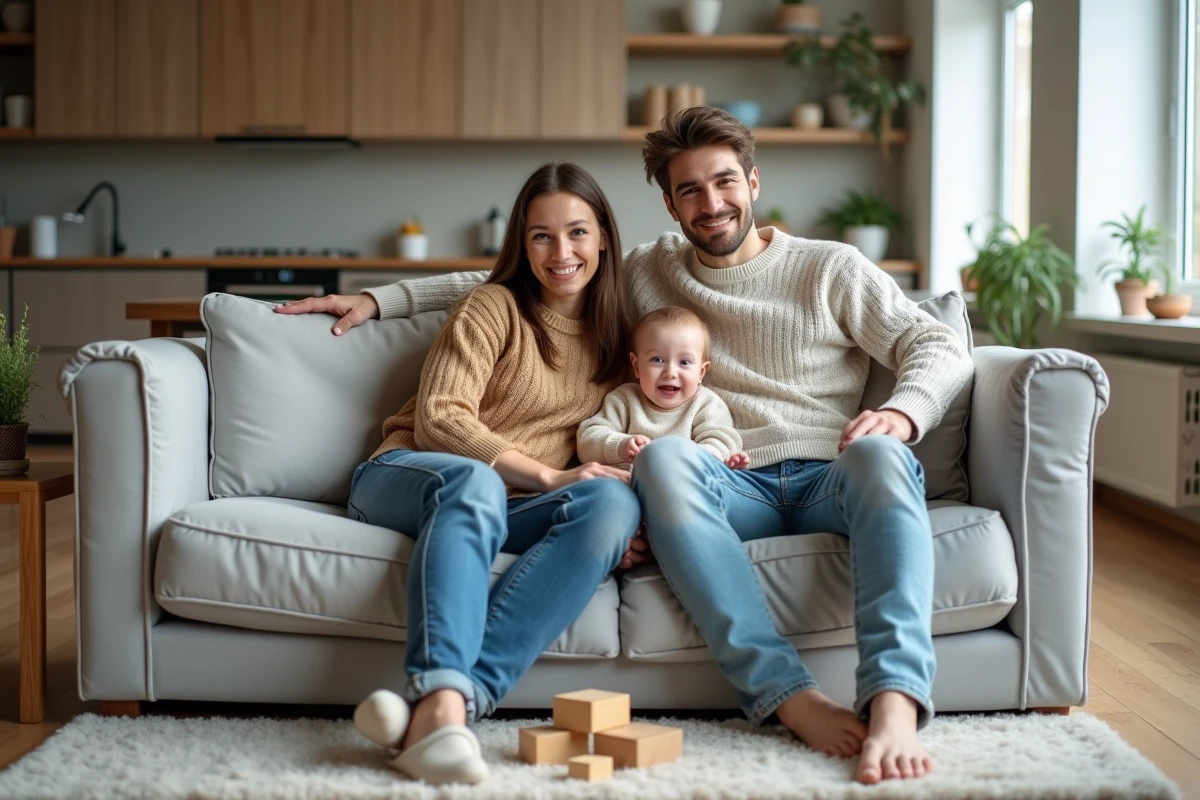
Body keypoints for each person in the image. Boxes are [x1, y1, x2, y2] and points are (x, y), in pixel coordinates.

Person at [278, 107, 973, 786]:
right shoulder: (647, 274)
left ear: (753, 183)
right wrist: (381, 300)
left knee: (870, 459)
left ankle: (894, 703)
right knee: (660, 459)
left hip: (829, 473)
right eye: (690, 190)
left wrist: (902, 414)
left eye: (725, 182)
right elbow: (511, 284)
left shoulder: (827, 269)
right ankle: (784, 695)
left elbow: (935, 343)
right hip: (699, 483)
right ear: (669, 206)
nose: (712, 203)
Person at [337, 162, 641, 785]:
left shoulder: (619, 339)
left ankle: (445, 711)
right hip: (407, 476)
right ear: (520, 244)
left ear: (605, 237)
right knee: (473, 482)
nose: (562, 253)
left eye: (578, 233)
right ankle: (442, 695)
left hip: (509, 507)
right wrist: (551, 478)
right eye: (541, 236)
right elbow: (441, 421)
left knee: (613, 507)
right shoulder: (492, 305)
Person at [577, 306, 749, 470]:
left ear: (701, 373)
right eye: (657, 360)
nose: (670, 373)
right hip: (628, 483)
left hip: (684, 479)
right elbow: (587, 442)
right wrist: (620, 446)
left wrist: (703, 458)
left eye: (684, 362)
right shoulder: (624, 400)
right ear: (636, 366)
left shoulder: (705, 404)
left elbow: (723, 440)